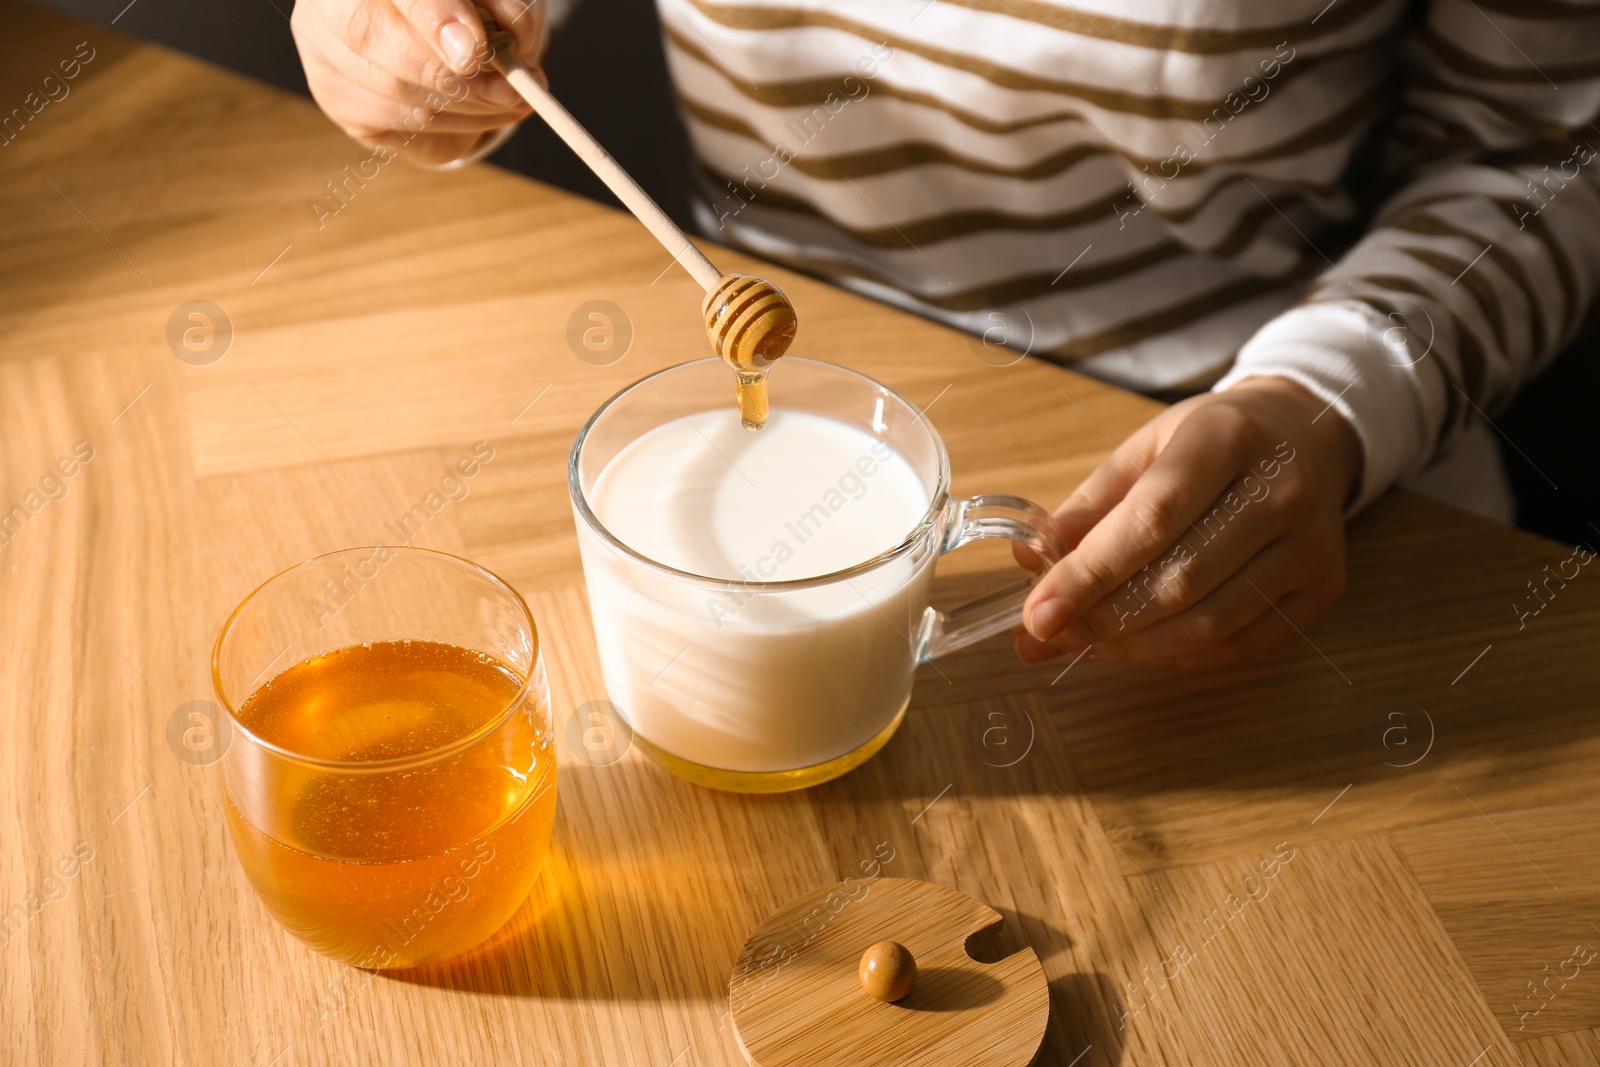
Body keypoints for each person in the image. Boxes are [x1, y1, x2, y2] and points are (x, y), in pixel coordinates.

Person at [291, 0, 1600, 668]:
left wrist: (1329, 402)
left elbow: (1548, 150)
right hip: (777, 384)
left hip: (1264, 490)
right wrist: (390, 34)